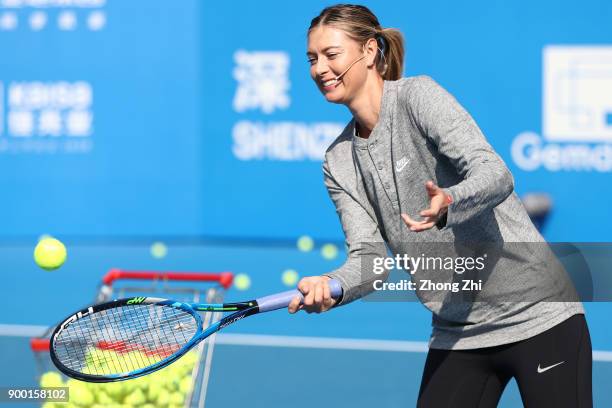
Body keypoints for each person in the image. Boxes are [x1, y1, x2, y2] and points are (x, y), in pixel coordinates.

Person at [288, 4, 592, 407]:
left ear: (369, 51)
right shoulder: (338, 161)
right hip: (457, 330)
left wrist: (451, 201)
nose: (319, 69)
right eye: (312, 59)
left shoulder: (418, 97)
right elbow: (371, 260)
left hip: (536, 313)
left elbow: (495, 173)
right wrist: (334, 285)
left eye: (331, 54)